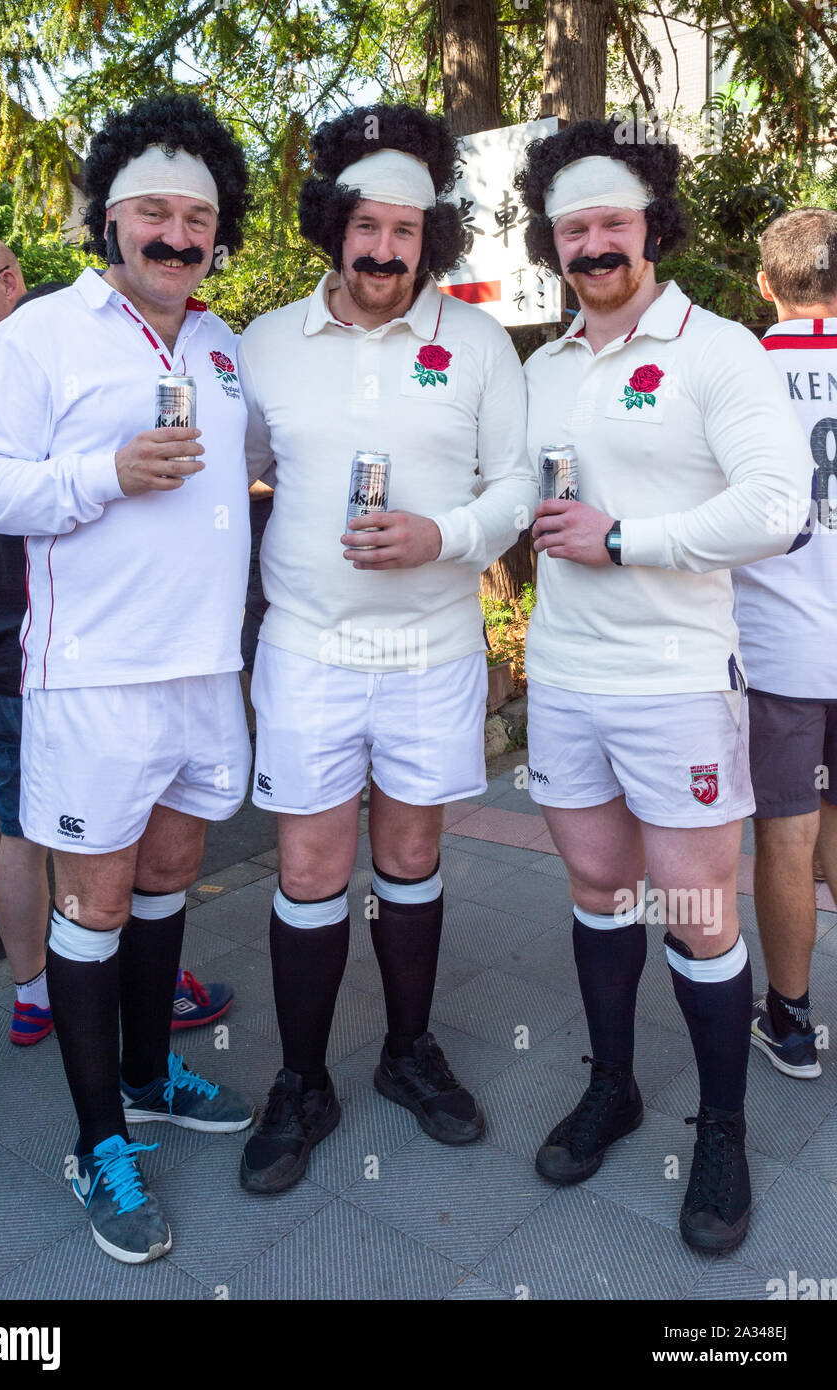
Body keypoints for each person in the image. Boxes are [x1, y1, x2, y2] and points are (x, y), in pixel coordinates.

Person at [0, 93, 254, 1263]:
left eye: (197, 219)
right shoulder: (38, 338)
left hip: (203, 674)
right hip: (91, 681)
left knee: (174, 872)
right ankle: (94, 1140)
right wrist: (105, 472)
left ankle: (145, 1076)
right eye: (154, 216)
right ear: (109, 221)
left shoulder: (222, 344)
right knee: (98, 900)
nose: (177, 238)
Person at [515, 118, 814, 1252]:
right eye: (573, 227)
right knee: (597, 890)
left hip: (679, 680)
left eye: (611, 223)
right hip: (564, 676)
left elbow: (773, 509)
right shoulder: (542, 365)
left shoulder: (717, 348)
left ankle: (723, 1127)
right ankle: (612, 1086)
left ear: (650, 226)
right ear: (553, 240)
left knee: (694, 913)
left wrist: (625, 537)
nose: (593, 244)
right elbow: (515, 502)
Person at [237, 103, 530, 1194]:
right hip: (307, 649)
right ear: (332, 224)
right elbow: (245, 467)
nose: (383, 249)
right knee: (310, 868)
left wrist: (440, 536)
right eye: (365, 225)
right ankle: (302, 1081)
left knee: (409, 860)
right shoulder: (265, 342)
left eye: (405, 231)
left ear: (429, 239)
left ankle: (408, 1054)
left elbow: (514, 483)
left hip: (433, 647)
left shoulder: (479, 343)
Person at [731, 207, 837, 1081]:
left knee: (787, 837)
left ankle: (791, 1023)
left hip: (778, 650)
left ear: (767, 284)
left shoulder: (741, 371)